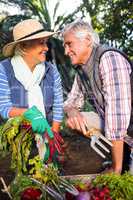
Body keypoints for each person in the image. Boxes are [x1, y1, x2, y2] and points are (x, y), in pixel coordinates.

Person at [62, 20, 132, 174]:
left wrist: (116, 169)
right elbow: (70, 102)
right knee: (72, 121)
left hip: (126, 125)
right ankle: (121, 152)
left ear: (87, 41)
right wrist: (72, 111)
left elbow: (117, 117)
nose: (66, 51)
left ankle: (121, 159)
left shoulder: (109, 59)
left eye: (69, 44)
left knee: (127, 182)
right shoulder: (81, 69)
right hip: (120, 128)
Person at [0, 19, 64, 162]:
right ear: (24, 46)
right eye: (41, 43)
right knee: (25, 178)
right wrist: (27, 113)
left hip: (47, 134)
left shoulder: (51, 71)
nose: (46, 48)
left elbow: (58, 106)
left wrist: (52, 137)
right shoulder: (4, 70)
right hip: (20, 138)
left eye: (46, 42)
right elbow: (3, 108)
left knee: (49, 174)